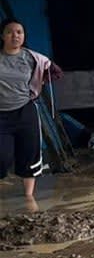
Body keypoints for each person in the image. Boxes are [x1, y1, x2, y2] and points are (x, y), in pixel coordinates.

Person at [1, 18, 61, 208]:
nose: (15, 35)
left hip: (25, 111)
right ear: (2, 36)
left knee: (30, 153)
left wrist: (42, 80)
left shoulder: (32, 58)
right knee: (2, 156)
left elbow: (54, 71)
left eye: (19, 32)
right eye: (10, 32)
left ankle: (29, 198)